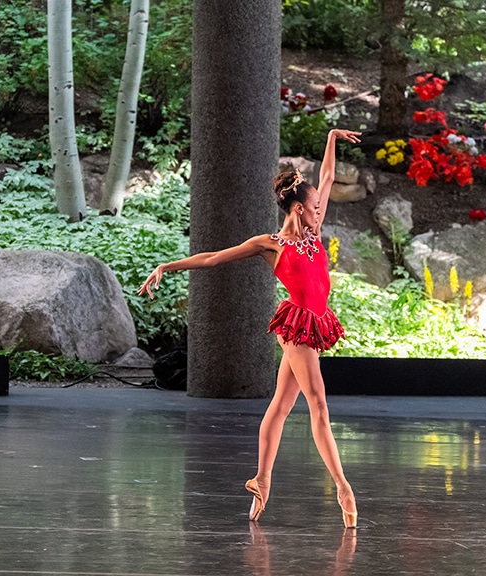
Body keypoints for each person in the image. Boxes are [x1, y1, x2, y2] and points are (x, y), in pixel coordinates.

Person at [138, 128, 361, 529]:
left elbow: (326, 177)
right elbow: (212, 259)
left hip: (315, 321)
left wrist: (329, 136)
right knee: (319, 406)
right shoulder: (271, 244)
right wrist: (165, 266)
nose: (319, 212)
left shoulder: (314, 232)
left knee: (280, 406)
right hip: (296, 326)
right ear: (296, 209)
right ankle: (343, 487)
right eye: (314, 208)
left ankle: (261, 479)